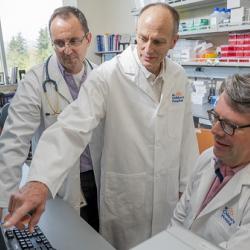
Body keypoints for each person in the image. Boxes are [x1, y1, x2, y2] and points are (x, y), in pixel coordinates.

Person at [4, 3, 198, 250]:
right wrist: (39, 181)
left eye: (158, 42)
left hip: (167, 201)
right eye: (142, 38)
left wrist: (188, 189)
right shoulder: (107, 76)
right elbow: (70, 128)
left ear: (174, 41)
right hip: (125, 202)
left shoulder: (179, 77)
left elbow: (186, 139)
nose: (148, 49)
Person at [0, 6, 100, 231]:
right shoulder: (35, 81)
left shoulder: (101, 77)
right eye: (59, 43)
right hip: (60, 181)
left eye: (74, 41)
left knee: (101, 238)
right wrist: (4, 203)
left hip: (100, 176)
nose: (67, 50)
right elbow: (14, 141)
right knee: (69, 239)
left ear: (88, 38)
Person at [170, 74, 250, 250]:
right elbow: (178, 219)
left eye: (229, 126)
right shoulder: (207, 158)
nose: (214, 130)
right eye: (215, 116)